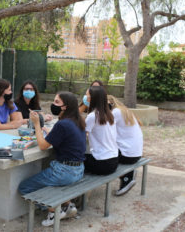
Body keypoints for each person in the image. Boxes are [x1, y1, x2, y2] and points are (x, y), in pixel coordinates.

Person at [18, 91, 86, 227]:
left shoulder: (62, 124)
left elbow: (43, 146)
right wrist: (51, 133)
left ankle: (54, 211)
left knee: (24, 187)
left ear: (65, 107)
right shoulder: (78, 121)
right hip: (78, 169)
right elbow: (66, 139)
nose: (52, 104)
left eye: (56, 102)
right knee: (46, 179)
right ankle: (66, 205)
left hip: (64, 171)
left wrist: (37, 124)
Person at [108, 95, 143, 196]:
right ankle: (128, 175)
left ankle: (127, 176)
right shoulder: (124, 110)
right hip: (136, 153)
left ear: (110, 103)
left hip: (127, 155)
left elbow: (104, 129)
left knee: (103, 159)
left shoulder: (115, 112)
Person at [84, 86, 119, 175]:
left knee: (72, 161)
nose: (85, 98)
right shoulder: (109, 115)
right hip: (114, 161)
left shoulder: (93, 116)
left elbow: (81, 137)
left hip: (102, 163)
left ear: (93, 99)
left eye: (87, 96)